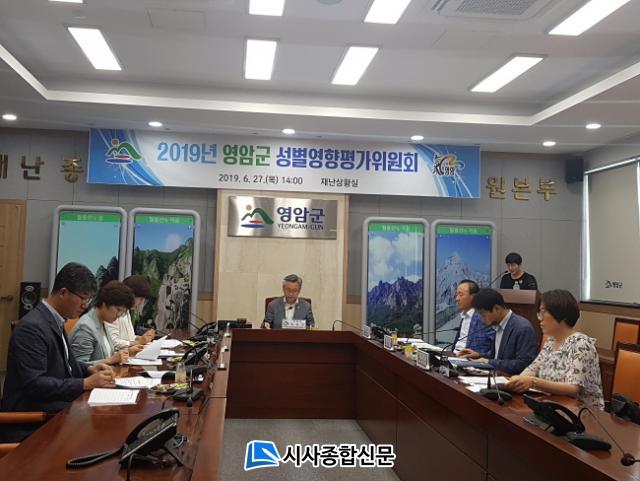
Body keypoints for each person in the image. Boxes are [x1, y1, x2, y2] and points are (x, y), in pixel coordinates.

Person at [0, 262, 116, 442]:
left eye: (89, 300)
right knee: (102, 434)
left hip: (55, 410)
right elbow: (35, 384)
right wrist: (84, 383)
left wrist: (88, 369)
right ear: (63, 293)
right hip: (31, 422)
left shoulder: (56, 319)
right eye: (83, 298)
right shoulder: (32, 328)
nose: (85, 305)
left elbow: (64, 363)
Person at [505, 290, 604, 409]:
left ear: (560, 314)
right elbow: (533, 368)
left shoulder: (581, 344)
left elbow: (573, 388)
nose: (539, 318)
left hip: (583, 412)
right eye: (539, 313)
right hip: (553, 406)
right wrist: (518, 381)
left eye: (543, 312)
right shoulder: (551, 341)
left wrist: (533, 382)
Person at [458, 288, 538, 375]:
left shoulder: (523, 328)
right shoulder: (498, 324)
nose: (482, 319)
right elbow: (497, 356)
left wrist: (489, 362)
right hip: (494, 375)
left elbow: (524, 364)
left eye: (483, 315)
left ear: (497, 309)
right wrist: (479, 355)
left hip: (509, 379)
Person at [69, 281, 143, 364]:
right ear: (104, 303)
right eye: (118, 309)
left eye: (122, 312)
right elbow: (78, 366)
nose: (119, 315)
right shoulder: (85, 328)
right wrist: (111, 360)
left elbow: (107, 355)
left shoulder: (103, 322)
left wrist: (128, 352)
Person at [104, 275, 155, 351]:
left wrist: (140, 338)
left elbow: (128, 337)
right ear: (131, 295)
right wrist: (138, 342)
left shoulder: (127, 310)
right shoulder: (113, 310)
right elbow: (112, 343)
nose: (141, 303)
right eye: (140, 299)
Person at [452, 280, 495, 358]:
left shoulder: (484, 317)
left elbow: (496, 348)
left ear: (473, 297)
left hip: (471, 361)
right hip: (455, 356)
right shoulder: (465, 316)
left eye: (461, 295)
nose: (457, 299)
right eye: (456, 295)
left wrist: (479, 355)